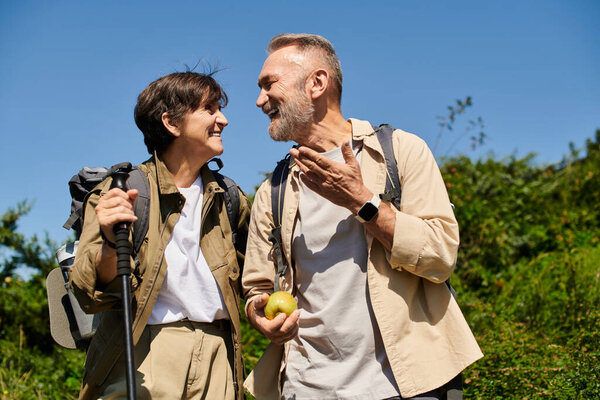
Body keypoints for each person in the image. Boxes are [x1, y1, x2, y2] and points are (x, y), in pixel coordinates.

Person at [242, 33, 483, 400]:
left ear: (317, 83)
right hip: (306, 389)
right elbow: (257, 288)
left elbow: (441, 256)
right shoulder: (271, 192)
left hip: (406, 387)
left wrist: (362, 202)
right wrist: (258, 314)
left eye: (268, 84)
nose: (260, 100)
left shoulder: (400, 152)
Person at [69, 71, 251, 400]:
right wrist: (112, 243)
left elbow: (256, 274)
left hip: (218, 353)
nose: (222, 119)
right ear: (171, 122)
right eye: (209, 109)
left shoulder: (229, 196)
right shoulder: (123, 190)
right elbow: (88, 291)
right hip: (146, 351)